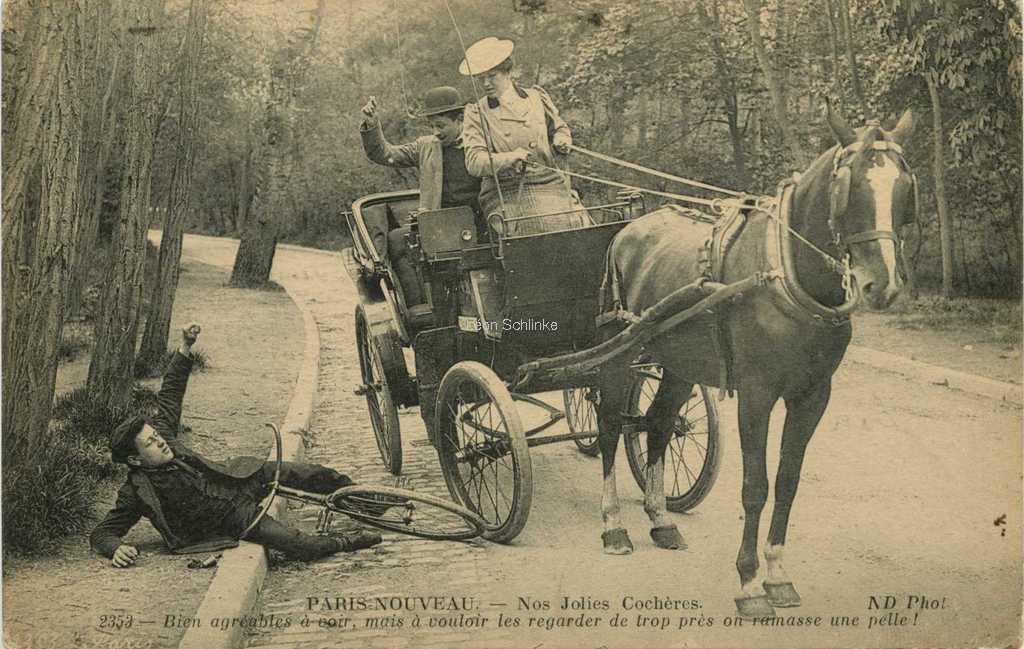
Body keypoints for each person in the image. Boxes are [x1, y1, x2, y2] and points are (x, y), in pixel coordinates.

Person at [90, 323, 381, 567]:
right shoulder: (136, 492)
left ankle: (370, 503)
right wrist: (116, 548)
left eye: (157, 436)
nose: (160, 442)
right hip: (234, 518)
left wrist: (185, 347)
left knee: (312, 473)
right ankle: (347, 540)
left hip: (239, 478)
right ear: (136, 460)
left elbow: (170, 394)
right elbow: (102, 532)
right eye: (150, 444)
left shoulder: (163, 433)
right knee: (298, 545)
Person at [359, 86, 482, 306]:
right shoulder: (426, 147)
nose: (435, 131)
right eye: (432, 126)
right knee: (396, 240)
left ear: (460, 119)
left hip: (478, 226)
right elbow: (385, 154)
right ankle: (417, 307)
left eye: (441, 125)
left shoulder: (479, 145)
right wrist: (371, 124)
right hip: (439, 227)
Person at [459, 37, 590, 236]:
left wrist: (561, 140)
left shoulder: (536, 98)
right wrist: (509, 158)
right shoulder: (477, 113)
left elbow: (560, 129)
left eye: (492, 76)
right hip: (508, 192)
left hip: (552, 183)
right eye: (480, 78)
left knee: (583, 225)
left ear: (508, 72)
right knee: (539, 228)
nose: (485, 84)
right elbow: (474, 162)